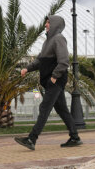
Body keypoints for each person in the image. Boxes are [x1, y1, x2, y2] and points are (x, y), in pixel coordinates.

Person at [15, 15, 82, 150]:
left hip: (56, 81)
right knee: (62, 109)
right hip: (52, 81)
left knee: (44, 108)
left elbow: (64, 62)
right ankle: (75, 137)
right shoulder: (48, 42)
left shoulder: (59, 39)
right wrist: (27, 69)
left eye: (48, 22)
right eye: (46, 22)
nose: (46, 25)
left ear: (55, 24)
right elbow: (40, 61)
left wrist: (54, 77)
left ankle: (31, 139)